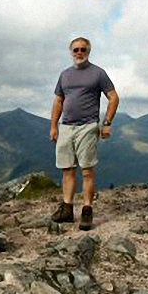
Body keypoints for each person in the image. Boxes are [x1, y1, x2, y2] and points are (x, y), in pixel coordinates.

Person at [50, 37, 119, 230]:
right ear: (71, 52)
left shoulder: (98, 73)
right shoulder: (64, 75)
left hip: (88, 126)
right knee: (67, 169)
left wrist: (107, 123)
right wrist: (54, 126)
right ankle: (67, 210)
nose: (79, 53)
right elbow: (58, 101)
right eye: (76, 50)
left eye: (83, 49)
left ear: (89, 51)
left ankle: (87, 210)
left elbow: (113, 97)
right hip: (66, 127)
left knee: (87, 170)